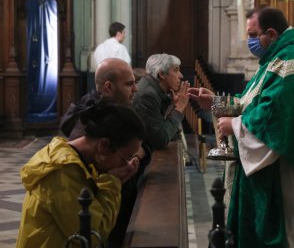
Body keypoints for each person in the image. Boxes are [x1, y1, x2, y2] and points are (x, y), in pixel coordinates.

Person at [188, 7, 294, 248]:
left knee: (293, 235)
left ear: (272, 33)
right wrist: (216, 102)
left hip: (291, 168)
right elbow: (252, 102)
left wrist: (234, 125)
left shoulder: (292, 62)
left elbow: (275, 117)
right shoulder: (280, 58)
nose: (250, 41)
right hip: (285, 161)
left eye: (254, 35)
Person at [16, 101, 147, 248]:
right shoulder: (62, 172)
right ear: (103, 146)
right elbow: (93, 235)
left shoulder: (81, 160)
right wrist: (112, 182)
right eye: (127, 157)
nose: (126, 165)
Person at [59, 58, 151, 247]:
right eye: (130, 84)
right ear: (108, 87)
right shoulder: (91, 127)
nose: (136, 89)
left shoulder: (115, 116)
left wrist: (139, 153)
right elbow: (93, 232)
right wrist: (113, 181)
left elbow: (142, 143)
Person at [133, 53, 190, 151]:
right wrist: (179, 109)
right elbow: (160, 140)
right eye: (176, 70)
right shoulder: (148, 95)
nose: (181, 75)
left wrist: (172, 105)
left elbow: (171, 135)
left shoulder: (154, 90)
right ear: (162, 74)